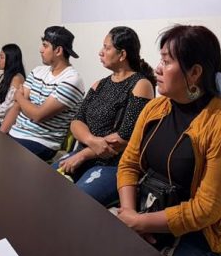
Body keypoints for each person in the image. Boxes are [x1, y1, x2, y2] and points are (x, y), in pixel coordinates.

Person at [109, 25, 221, 256]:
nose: (157, 68)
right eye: (160, 59)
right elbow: (128, 164)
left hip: (200, 236)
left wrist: (138, 223)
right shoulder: (155, 108)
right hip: (147, 212)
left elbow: (206, 210)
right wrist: (130, 215)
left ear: (194, 73)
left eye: (167, 61)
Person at [53, 27, 155, 206]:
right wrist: (91, 141)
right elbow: (76, 121)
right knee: (45, 183)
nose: (101, 52)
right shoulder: (99, 84)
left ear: (122, 54)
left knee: (74, 202)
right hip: (83, 154)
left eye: (107, 48)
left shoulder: (141, 85)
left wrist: (84, 154)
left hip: (113, 163)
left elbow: (125, 137)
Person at [1, 26, 85, 160]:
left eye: (45, 46)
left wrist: (19, 97)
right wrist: (0, 134)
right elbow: (17, 106)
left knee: (0, 158)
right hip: (15, 133)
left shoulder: (72, 80)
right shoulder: (37, 71)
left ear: (58, 50)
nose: (41, 49)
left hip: (41, 141)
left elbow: (38, 115)